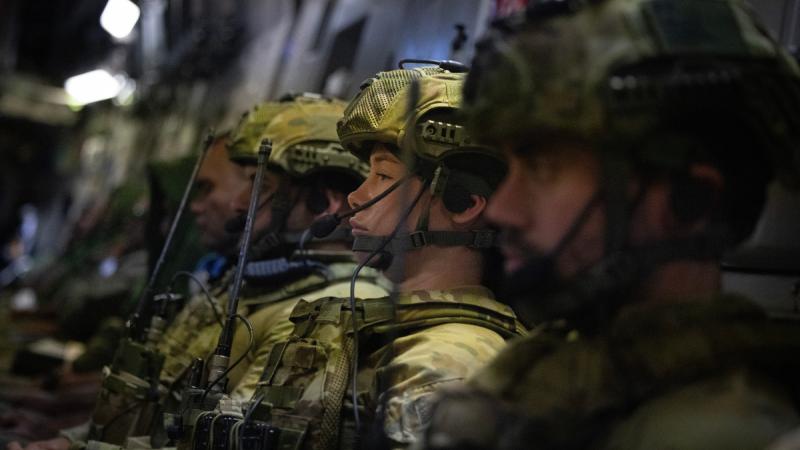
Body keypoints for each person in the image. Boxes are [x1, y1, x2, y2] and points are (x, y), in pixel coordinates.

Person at [416, 1, 800, 449]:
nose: (502, 209)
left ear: (689, 201)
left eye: (543, 168)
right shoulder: (550, 380)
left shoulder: (719, 432)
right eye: (510, 166)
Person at [244, 66, 526, 450]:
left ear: (464, 206)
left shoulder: (445, 364)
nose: (356, 198)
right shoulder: (395, 333)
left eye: (383, 177)